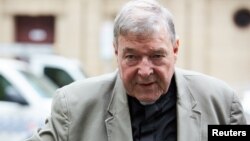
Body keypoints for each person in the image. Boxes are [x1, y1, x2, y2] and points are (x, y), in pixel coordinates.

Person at [25, 0, 247, 141]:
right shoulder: (73, 107)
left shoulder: (220, 104)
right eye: (132, 57)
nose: (144, 70)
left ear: (175, 49)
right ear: (116, 52)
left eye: (156, 56)